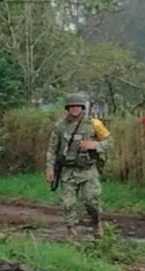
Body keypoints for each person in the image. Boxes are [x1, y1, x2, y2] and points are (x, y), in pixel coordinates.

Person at [45, 93, 113, 240]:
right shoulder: (60, 126)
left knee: (92, 201)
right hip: (68, 170)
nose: (75, 109)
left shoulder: (94, 124)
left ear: (82, 108)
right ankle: (71, 231)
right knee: (68, 203)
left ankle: (97, 223)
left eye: (78, 106)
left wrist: (95, 145)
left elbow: (109, 142)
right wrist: (49, 168)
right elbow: (51, 149)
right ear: (67, 108)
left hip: (88, 169)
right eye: (72, 106)